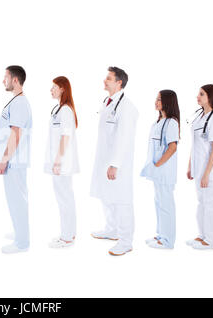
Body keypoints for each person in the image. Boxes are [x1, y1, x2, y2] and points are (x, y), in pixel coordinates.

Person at [90, 66, 139, 256]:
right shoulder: (108, 102)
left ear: (119, 82)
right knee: (106, 195)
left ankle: (126, 241)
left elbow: (124, 138)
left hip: (117, 163)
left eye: (109, 78)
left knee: (121, 199)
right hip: (104, 159)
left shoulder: (127, 107)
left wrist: (115, 163)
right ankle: (112, 229)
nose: (105, 80)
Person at [0, 65, 33, 254]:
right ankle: (20, 232)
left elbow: (16, 134)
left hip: (14, 161)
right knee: (14, 199)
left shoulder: (19, 103)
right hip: (13, 160)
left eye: (6, 77)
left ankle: (22, 242)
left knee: (17, 200)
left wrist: (4, 159)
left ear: (15, 80)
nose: (3, 80)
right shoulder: (15, 101)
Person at [186, 84, 213, 250]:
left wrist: (207, 173)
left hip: (212, 170)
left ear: (211, 97)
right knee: (202, 203)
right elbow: (195, 144)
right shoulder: (200, 115)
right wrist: (190, 166)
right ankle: (202, 235)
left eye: (201, 94)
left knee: (211, 205)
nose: (198, 96)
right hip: (199, 168)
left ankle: (210, 241)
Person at [140, 90, 180, 249]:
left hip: (164, 172)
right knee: (159, 203)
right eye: (156, 99)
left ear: (168, 102)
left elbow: (172, 148)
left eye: (159, 100)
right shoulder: (158, 122)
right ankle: (161, 235)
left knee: (166, 205)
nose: (156, 102)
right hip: (157, 172)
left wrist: (157, 166)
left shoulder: (172, 123)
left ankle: (168, 241)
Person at [44, 76, 79, 248]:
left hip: (62, 164)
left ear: (63, 89)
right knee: (65, 198)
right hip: (58, 162)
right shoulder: (58, 109)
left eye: (54, 87)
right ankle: (69, 234)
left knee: (64, 199)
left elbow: (66, 136)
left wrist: (58, 161)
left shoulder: (65, 110)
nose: (51, 90)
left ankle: (67, 238)